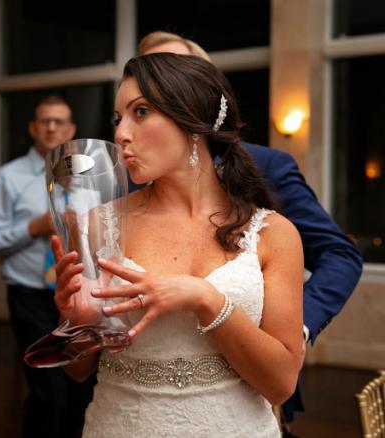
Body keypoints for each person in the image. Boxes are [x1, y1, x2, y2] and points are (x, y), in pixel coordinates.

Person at [54, 53, 304, 436]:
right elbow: (77, 371)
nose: (121, 134)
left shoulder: (273, 233)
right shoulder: (97, 225)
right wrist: (78, 321)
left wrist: (205, 298)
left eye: (140, 112)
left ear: (192, 122)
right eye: (118, 118)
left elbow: (281, 384)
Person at [139, 30, 364, 424]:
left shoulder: (268, 167)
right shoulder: (125, 181)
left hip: (247, 390)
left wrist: (297, 328)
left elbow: (340, 253)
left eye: (175, 76)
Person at [0, 95, 93, 437]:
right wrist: (33, 228)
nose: (52, 127)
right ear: (33, 128)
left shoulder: (89, 177)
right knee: (49, 395)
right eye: (45, 121)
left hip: (80, 296)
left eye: (59, 121)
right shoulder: (7, 178)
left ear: (71, 129)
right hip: (31, 298)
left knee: (82, 393)